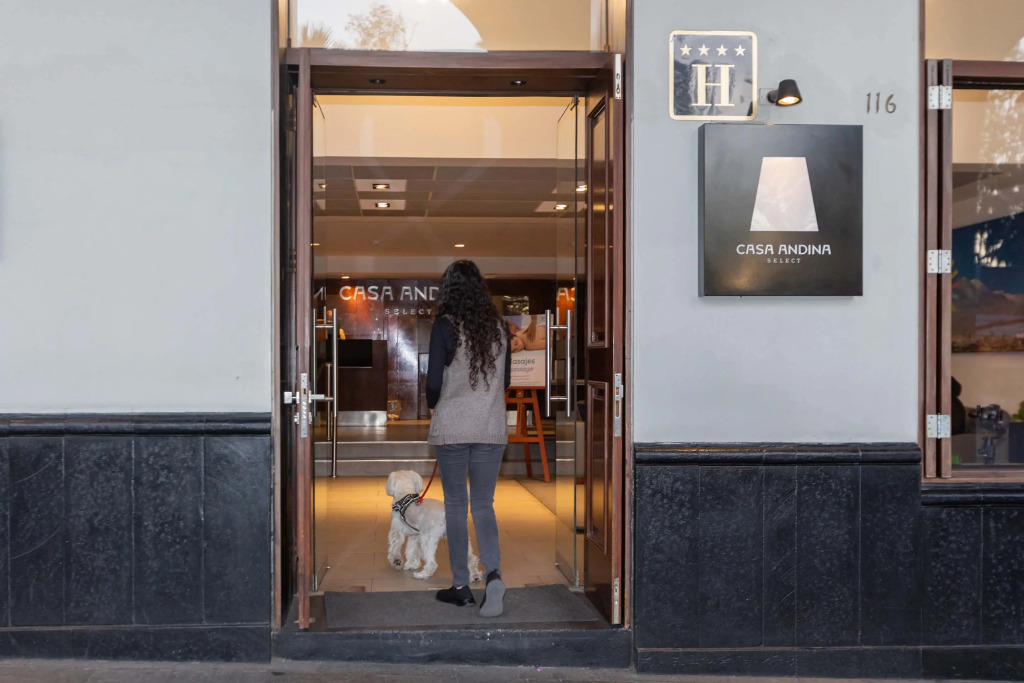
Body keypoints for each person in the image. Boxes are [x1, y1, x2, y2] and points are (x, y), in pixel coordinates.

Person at [425, 260, 512, 617]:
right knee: (483, 505)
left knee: (456, 506)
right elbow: (505, 381)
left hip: (453, 427)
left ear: (449, 290)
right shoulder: (500, 328)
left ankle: (461, 586)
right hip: (490, 426)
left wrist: (434, 404)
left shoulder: (445, 326)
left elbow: (433, 381)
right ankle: (493, 575)